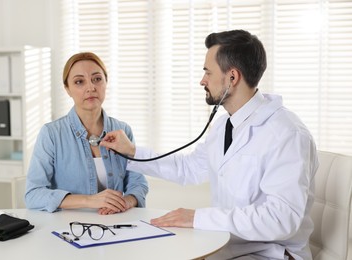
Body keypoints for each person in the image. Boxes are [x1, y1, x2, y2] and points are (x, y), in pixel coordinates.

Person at [100, 30, 318, 259]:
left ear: (232, 77)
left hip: (271, 254)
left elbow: (281, 219)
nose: (202, 80)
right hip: (228, 247)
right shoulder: (225, 125)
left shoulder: (287, 133)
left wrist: (197, 218)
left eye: (207, 72)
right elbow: (189, 168)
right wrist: (131, 152)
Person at [25, 52, 148, 214]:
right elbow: (33, 194)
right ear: (67, 89)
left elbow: (138, 183)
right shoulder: (51, 134)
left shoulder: (123, 130)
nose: (91, 87)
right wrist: (89, 201)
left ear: (106, 82)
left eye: (97, 79)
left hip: (115, 224)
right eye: (79, 82)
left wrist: (125, 202)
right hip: (69, 228)